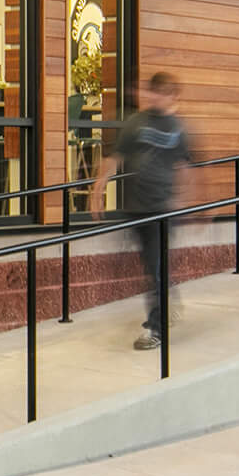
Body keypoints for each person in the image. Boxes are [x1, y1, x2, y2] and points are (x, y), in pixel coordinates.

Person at [88, 70, 198, 350]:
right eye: (154, 92)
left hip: (163, 210)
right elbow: (114, 157)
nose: (156, 97)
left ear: (173, 96)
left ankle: (156, 329)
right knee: (151, 266)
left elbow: (186, 167)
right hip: (136, 208)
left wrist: (189, 203)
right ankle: (167, 297)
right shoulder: (135, 123)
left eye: (163, 93)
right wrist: (98, 189)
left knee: (155, 268)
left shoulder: (179, 128)